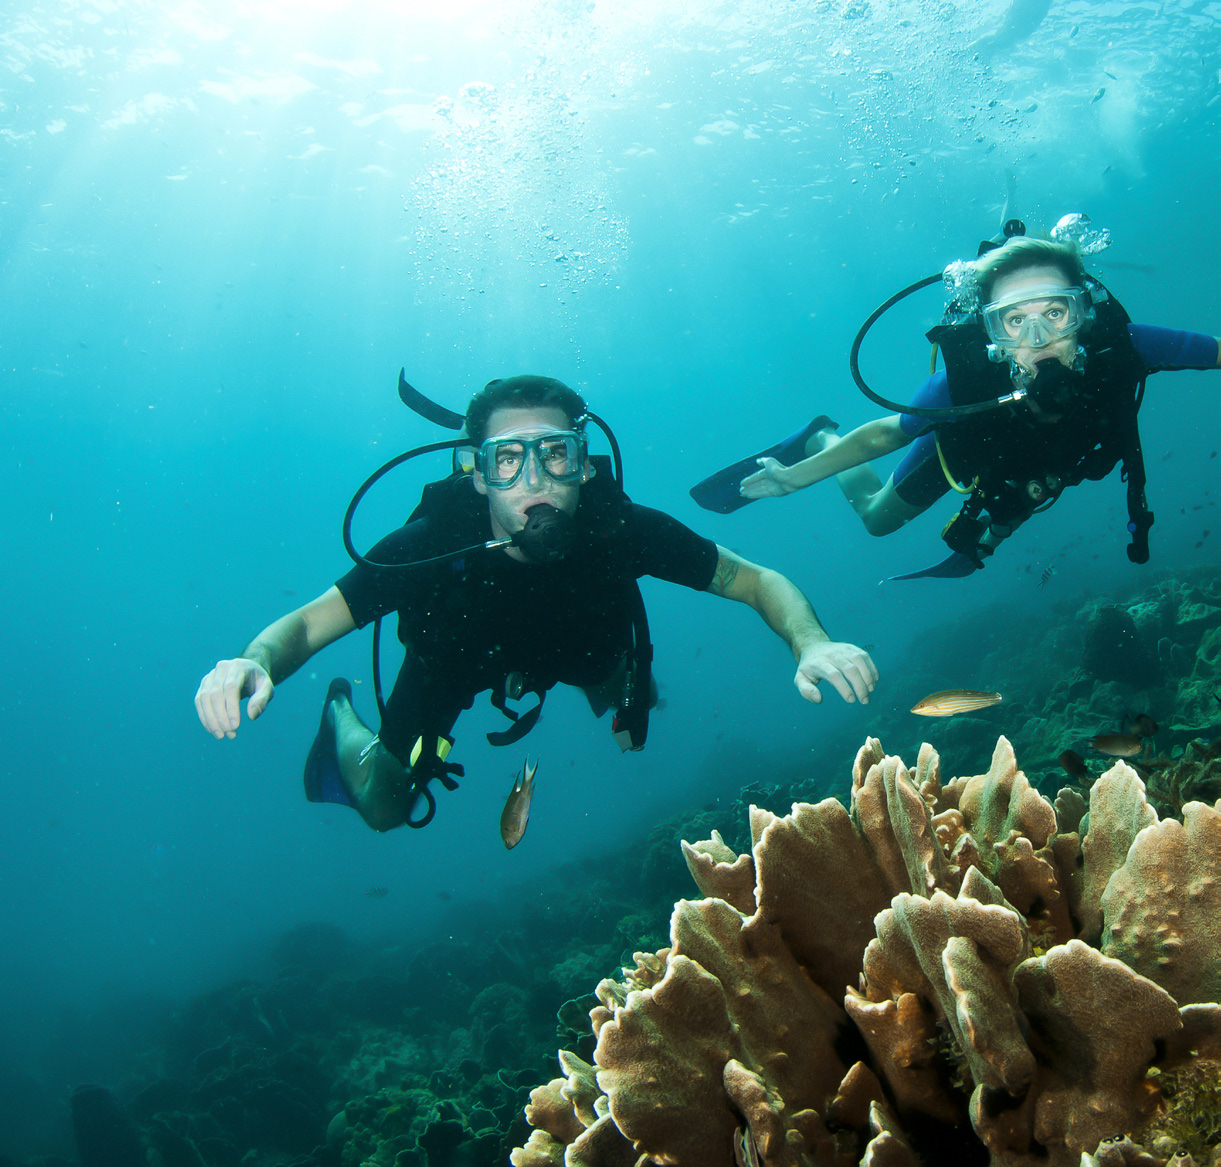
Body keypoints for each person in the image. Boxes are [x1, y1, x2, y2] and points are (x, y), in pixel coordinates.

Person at [195, 375, 879, 833]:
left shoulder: (620, 529)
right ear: (476, 471)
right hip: (453, 659)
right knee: (382, 807)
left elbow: (756, 581)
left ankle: (610, 689)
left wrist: (810, 641)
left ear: (584, 463)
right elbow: (310, 621)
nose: (534, 482)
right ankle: (343, 716)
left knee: (627, 698)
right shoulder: (428, 546)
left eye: (554, 455)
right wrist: (253, 661)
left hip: (582, 641)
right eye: (507, 460)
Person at [692, 235, 1219, 577]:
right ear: (990, 331)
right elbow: (885, 435)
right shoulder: (962, 386)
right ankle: (819, 434)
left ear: (1083, 314)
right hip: (965, 449)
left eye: (1055, 313)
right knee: (877, 521)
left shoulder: (1124, 347)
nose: (1037, 338)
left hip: (1035, 467)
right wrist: (798, 475)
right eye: (1014, 321)